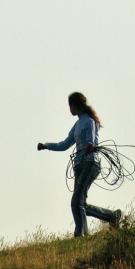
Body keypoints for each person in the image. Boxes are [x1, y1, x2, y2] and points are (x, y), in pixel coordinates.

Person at [37, 92, 122, 237]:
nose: (69, 109)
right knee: (79, 204)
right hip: (79, 165)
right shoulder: (77, 125)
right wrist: (47, 146)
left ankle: (81, 234)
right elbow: (64, 144)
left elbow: (92, 142)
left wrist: (90, 145)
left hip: (90, 164)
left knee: (76, 202)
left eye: (70, 105)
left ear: (74, 105)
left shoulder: (89, 121)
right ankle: (112, 216)